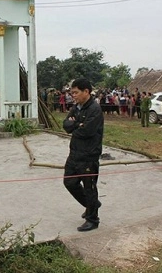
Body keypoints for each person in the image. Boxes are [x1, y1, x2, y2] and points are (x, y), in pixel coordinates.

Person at [63, 78, 104, 232]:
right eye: (71, 93)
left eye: (75, 92)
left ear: (86, 91)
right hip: (74, 153)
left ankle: (92, 219)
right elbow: (65, 125)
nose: (73, 95)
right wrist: (75, 124)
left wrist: (76, 125)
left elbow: (87, 131)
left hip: (88, 155)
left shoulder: (94, 109)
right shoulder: (76, 108)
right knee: (69, 183)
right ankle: (92, 204)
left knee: (89, 188)